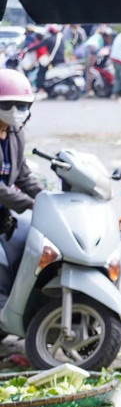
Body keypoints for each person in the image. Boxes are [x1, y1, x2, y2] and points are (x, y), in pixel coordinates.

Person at [0, 70, 43, 290]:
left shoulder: (16, 133)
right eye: (7, 105)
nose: (15, 111)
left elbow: (23, 174)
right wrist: (29, 203)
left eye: (22, 105)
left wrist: (45, 196)